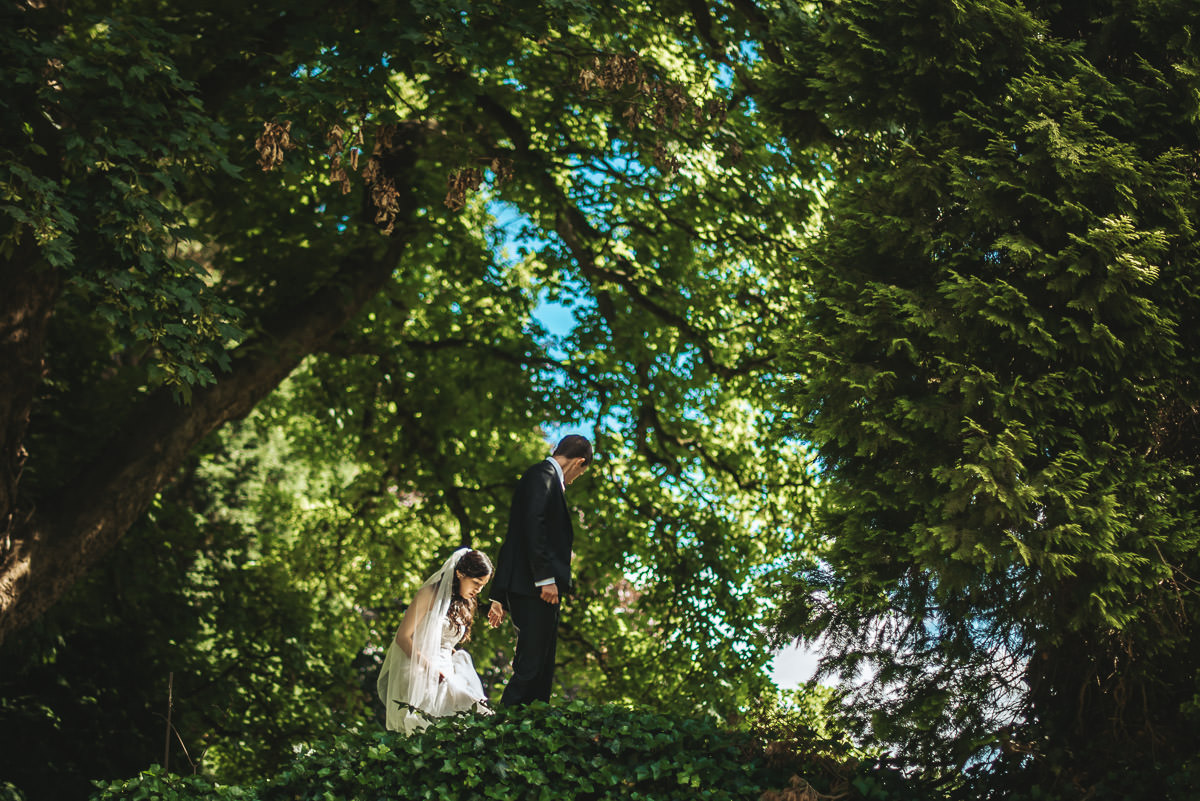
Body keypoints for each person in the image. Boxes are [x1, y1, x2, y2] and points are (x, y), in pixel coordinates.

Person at [487, 434, 592, 705]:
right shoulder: (542, 475)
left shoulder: (540, 477)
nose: (575, 480)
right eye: (581, 473)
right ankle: (503, 734)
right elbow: (534, 526)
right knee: (530, 668)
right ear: (580, 462)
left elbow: (514, 537)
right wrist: (546, 579)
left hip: (530, 585)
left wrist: (498, 593)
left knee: (541, 669)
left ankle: (531, 732)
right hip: (535, 586)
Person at [377, 548, 494, 733]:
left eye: (483, 585)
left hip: (446, 668)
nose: (478, 590)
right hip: (420, 668)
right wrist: (430, 669)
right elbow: (403, 637)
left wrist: (451, 652)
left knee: (470, 715)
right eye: (476, 582)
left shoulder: (462, 604)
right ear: (459, 574)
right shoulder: (428, 595)